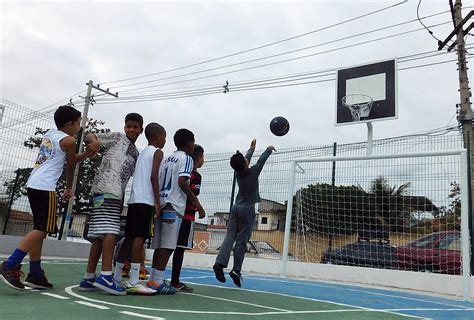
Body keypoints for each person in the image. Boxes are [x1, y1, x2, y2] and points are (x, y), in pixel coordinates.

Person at [0, 105, 90, 290]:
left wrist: (86, 154)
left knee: (40, 229)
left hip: (34, 183)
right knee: (42, 229)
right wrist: (69, 187)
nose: (79, 126)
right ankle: (10, 264)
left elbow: (67, 160)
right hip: (45, 187)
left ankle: (36, 274)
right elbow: (71, 165)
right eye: (78, 122)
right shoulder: (69, 140)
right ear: (69, 123)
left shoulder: (51, 134)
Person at [78, 113, 143, 296]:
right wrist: (95, 143)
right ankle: (106, 276)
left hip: (115, 193)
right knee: (110, 231)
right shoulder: (116, 137)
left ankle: (89, 277)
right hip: (106, 189)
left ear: (141, 130)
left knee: (100, 235)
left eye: (135, 127)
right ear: (124, 128)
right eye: (128, 126)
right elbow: (91, 136)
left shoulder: (136, 153)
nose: (131, 129)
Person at [147, 129, 205, 294]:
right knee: (168, 245)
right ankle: (157, 281)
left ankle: (153, 279)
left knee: (160, 244)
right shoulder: (186, 158)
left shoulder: (167, 158)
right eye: (193, 143)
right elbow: (182, 181)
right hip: (174, 204)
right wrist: (197, 203)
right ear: (190, 143)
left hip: (163, 202)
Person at [113, 122, 166, 295]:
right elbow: (153, 177)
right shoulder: (158, 152)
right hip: (146, 201)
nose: (165, 141)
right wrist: (158, 202)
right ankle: (134, 280)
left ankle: (116, 277)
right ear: (157, 136)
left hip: (134, 200)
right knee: (139, 238)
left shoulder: (142, 153)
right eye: (164, 137)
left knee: (129, 238)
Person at [213, 139, 275, 287]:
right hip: (247, 209)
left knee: (229, 236)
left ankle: (219, 263)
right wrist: (268, 150)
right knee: (241, 240)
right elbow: (261, 161)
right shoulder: (253, 172)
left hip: (235, 208)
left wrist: (251, 149)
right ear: (246, 163)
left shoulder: (237, 172)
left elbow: (243, 161)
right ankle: (236, 270)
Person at [170, 144, 205, 293]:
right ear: (198, 159)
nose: (204, 160)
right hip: (187, 216)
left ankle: (157, 277)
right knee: (180, 249)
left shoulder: (179, 171)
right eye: (203, 157)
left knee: (168, 246)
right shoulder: (195, 176)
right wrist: (200, 207)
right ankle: (175, 281)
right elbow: (192, 194)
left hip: (173, 212)